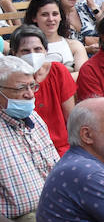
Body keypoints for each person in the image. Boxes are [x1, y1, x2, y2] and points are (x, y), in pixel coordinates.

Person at [0, 54, 59, 222]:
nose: (30, 94)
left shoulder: (33, 117)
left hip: (55, 206)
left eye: (32, 86)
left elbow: (54, 164)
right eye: (20, 88)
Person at [11, 25, 76, 158]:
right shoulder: (8, 81)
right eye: (25, 51)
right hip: (24, 151)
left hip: (61, 148)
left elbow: (71, 118)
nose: (32, 55)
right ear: (14, 54)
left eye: (37, 49)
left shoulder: (58, 71)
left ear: (46, 50)